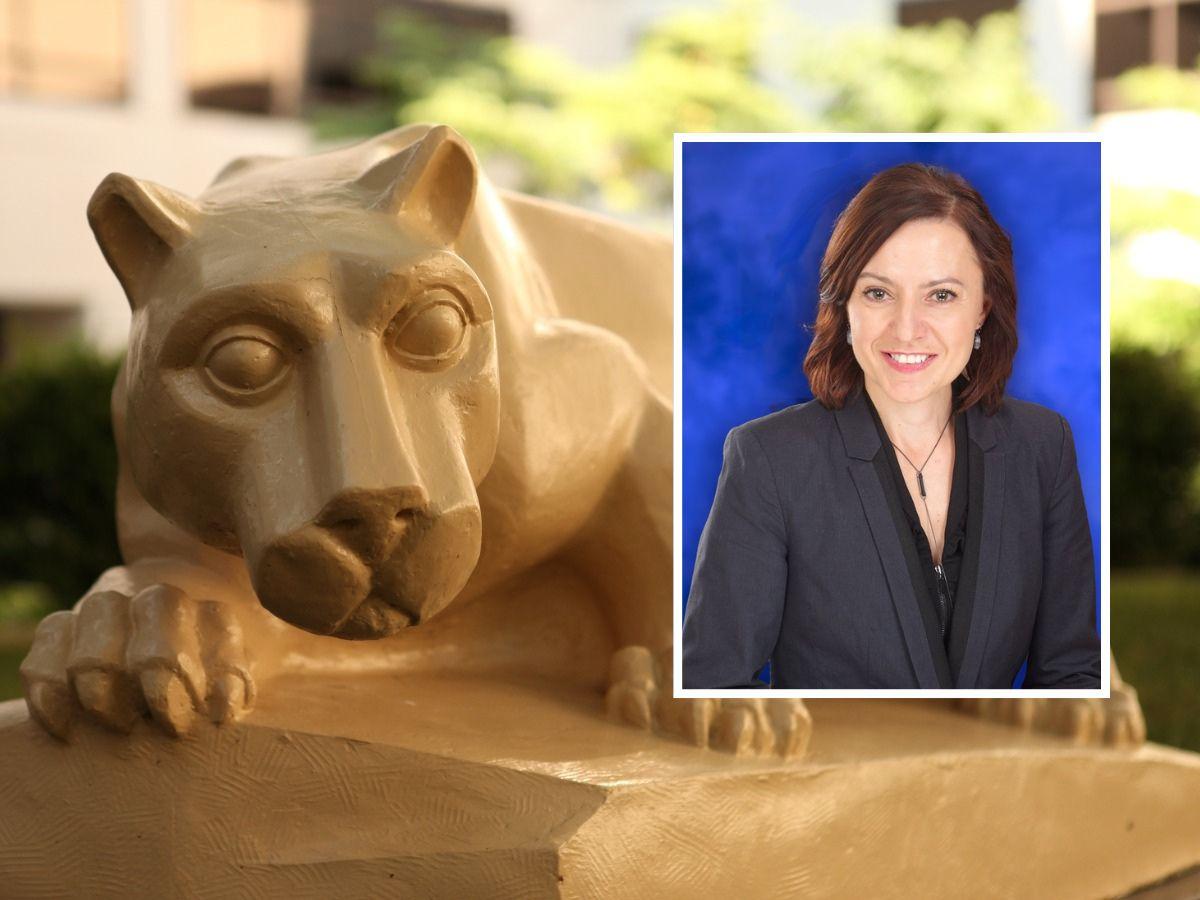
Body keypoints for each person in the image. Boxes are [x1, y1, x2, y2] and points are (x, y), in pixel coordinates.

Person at [681, 162, 1100, 690]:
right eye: (878, 293)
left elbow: (1073, 676)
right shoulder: (768, 459)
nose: (907, 328)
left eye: (941, 295)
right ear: (845, 305)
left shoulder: (1043, 447)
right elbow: (713, 689)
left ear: (982, 309)